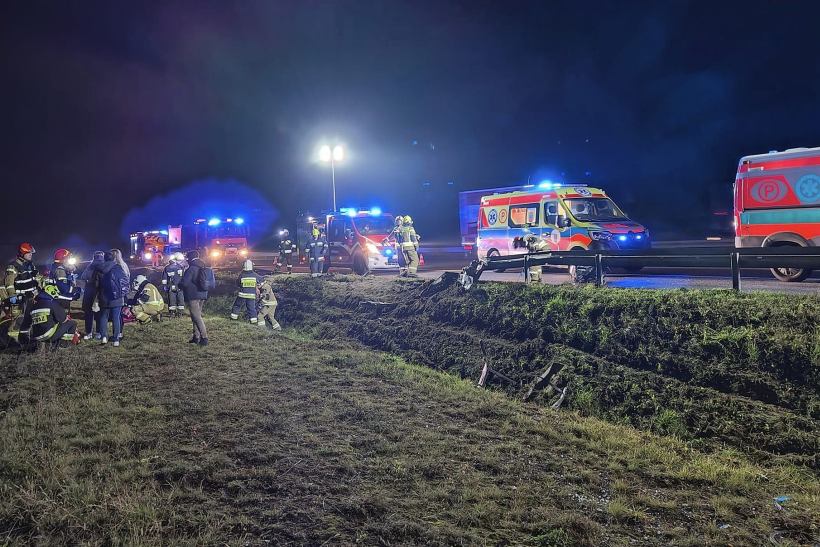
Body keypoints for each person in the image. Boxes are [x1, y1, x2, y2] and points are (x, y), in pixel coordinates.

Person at [19, 282, 80, 349]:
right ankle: (63, 345)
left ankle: (49, 344)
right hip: (48, 335)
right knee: (72, 323)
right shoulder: (51, 303)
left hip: (36, 336)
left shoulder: (33, 305)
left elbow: (26, 323)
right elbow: (63, 319)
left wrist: (23, 338)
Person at [96, 251, 129, 346]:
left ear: (104, 258)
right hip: (117, 297)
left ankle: (104, 337)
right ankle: (116, 339)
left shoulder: (99, 268)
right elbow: (124, 281)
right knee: (116, 318)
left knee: (103, 317)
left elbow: (96, 284)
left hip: (103, 296)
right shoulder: (118, 267)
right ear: (114, 258)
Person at [180, 249, 208, 346]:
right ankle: (196, 337)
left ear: (190, 258)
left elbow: (185, 283)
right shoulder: (203, 266)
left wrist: (179, 285)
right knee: (195, 316)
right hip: (203, 294)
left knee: (196, 317)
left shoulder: (191, 269)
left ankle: (204, 338)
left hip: (193, 296)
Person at [4, 243, 38, 316]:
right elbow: (9, 284)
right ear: (22, 254)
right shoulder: (13, 266)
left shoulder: (31, 265)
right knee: (18, 320)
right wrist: (12, 295)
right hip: (21, 300)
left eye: (31, 253)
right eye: (28, 253)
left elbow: (35, 280)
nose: (31, 254)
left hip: (32, 299)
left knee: (31, 320)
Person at [79, 250, 104, 339]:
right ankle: (98, 333)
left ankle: (89, 333)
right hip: (99, 292)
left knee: (89, 313)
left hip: (90, 291)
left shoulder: (90, 266)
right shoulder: (104, 266)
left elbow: (83, 277)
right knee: (99, 313)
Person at [50, 248, 81, 313]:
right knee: (62, 316)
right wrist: (76, 290)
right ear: (63, 260)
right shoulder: (60, 270)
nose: (69, 260)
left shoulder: (60, 268)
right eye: (68, 258)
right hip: (60, 299)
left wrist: (69, 271)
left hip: (60, 298)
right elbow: (64, 288)